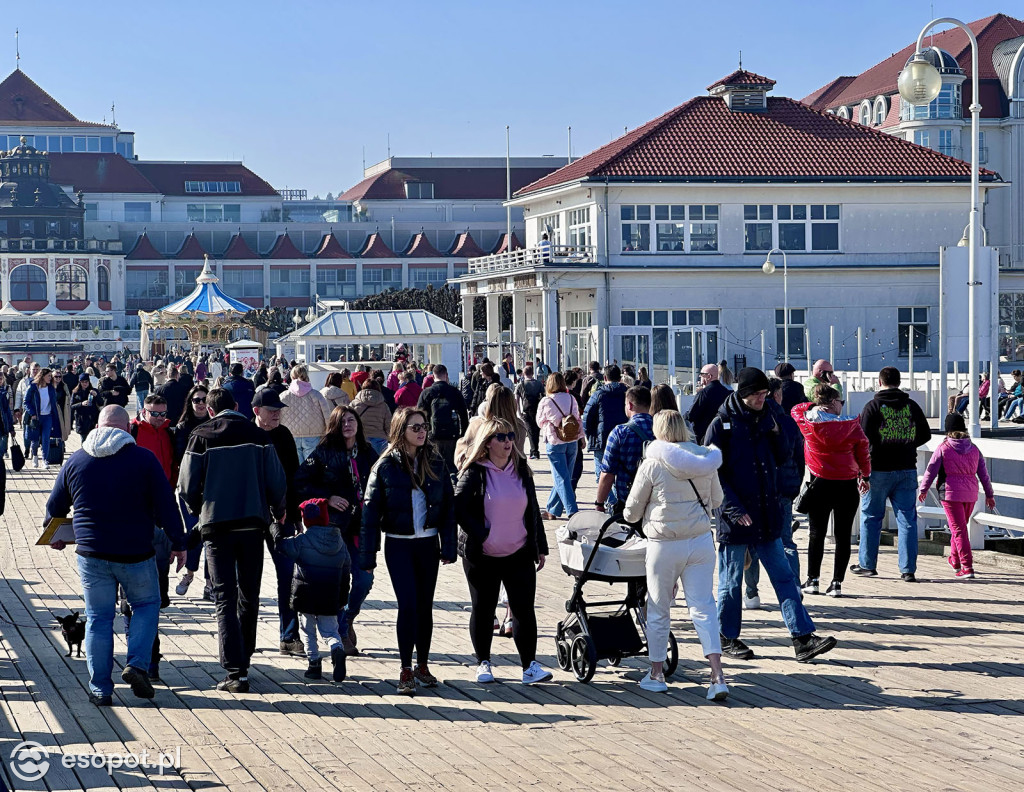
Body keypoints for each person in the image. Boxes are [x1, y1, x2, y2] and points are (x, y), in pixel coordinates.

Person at [45, 405, 186, 706]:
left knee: (98, 618)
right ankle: (137, 664)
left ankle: (101, 689)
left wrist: (54, 534)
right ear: (129, 429)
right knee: (147, 605)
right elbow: (166, 505)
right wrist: (179, 541)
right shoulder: (144, 459)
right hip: (136, 551)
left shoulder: (77, 460)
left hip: (92, 554)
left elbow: (54, 508)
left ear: (97, 426)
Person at [705, 368, 837, 663]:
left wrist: (778, 432)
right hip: (735, 517)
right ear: (742, 393)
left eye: (765, 394)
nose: (761, 400)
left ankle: (802, 638)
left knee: (784, 576)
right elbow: (713, 473)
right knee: (731, 580)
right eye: (756, 395)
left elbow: (783, 457)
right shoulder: (720, 424)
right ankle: (726, 636)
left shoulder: (769, 417)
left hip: (767, 513)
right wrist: (733, 509)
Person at [178, 388, 287, 693]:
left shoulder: (201, 436)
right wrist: (277, 509)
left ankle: (234, 670)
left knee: (224, 596)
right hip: (253, 525)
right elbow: (276, 479)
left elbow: (186, 485)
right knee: (249, 594)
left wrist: (199, 510)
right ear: (237, 407)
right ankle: (246, 657)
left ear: (210, 411)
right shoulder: (258, 434)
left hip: (216, 527)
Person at [623, 410, 727, 699]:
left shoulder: (653, 462)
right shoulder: (706, 459)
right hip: (701, 542)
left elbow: (631, 511)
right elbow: (717, 500)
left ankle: (656, 674)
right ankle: (717, 676)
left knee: (659, 608)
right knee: (704, 607)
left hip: (664, 544)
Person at [359, 407, 456, 695]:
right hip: (399, 543)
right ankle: (404, 668)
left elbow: (449, 507)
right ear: (402, 431)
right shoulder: (386, 465)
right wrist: (367, 557)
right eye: (415, 427)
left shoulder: (435, 462)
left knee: (425, 607)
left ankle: (422, 665)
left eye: (424, 426)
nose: (422, 431)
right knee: (409, 605)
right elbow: (369, 512)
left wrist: (449, 545)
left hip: (428, 542)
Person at [454, 417, 552, 685]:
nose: (508, 441)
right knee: (483, 609)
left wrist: (540, 547)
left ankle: (529, 666)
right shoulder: (475, 471)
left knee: (523, 610)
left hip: (519, 551)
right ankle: (483, 663)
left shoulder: (521, 469)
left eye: (510, 436)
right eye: (501, 437)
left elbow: (532, 510)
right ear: (487, 444)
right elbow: (458, 507)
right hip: (483, 556)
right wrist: (481, 533)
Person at [296, 405, 379, 656]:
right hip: (334, 528)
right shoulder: (323, 452)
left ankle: (349, 618)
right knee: (338, 581)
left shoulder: (367, 452)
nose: (347, 425)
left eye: (351, 420)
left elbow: (381, 482)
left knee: (364, 580)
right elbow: (300, 482)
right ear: (334, 425)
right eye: (342, 421)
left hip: (362, 527)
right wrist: (327, 497)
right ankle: (342, 630)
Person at [792, 385, 871, 598]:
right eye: (840, 402)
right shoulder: (851, 426)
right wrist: (865, 475)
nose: (842, 406)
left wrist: (813, 405)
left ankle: (813, 579)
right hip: (846, 484)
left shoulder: (808, 423)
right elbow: (863, 450)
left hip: (820, 482)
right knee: (843, 536)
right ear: (834, 402)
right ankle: (837, 583)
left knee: (816, 533)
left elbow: (795, 410)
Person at [853, 367, 931, 582]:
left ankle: (867, 565)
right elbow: (925, 433)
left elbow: (862, 439)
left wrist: (862, 472)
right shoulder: (911, 405)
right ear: (899, 381)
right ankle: (908, 570)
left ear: (880, 382)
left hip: (877, 469)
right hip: (906, 467)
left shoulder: (873, 407)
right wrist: (906, 443)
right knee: (907, 519)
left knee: (871, 517)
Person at [271, 498, 349, 681]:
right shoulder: (339, 542)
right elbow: (346, 572)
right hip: (330, 596)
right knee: (330, 631)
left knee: (308, 630)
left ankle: (314, 664)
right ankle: (337, 648)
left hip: (306, 596)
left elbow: (281, 546)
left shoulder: (302, 541)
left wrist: (277, 528)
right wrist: (342, 598)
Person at [743, 377, 804, 609]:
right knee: (786, 540)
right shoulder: (786, 421)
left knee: (753, 544)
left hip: (758, 491)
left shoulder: (750, 420)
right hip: (783, 490)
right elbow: (799, 456)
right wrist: (794, 484)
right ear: (776, 395)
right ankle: (795, 586)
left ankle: (751, 592)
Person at [252, 388, 304, 656]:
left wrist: (295, 516)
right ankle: (244, 637)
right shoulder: (247, 435)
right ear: (256, 411)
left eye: (279, 411)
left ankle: (289, 635)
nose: (277, 415)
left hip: (281, 516)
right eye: (272, 411)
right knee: (247, 578)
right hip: (250, 516)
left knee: (288, 574)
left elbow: (294, 476)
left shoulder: (283, 435)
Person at [918, 412, 995, 580]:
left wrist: (923, 489)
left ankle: (967, 567)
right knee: (958, 528)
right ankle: (955, 560)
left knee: (958, 529)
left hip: (950, 493)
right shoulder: (974, 448)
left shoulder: (944, 447)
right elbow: (984, 474)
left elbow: (931, 469)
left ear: (948, 430)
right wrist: (989, 494)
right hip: (970, 494)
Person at [172, 384, 211, 598]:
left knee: (211, 535)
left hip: (212, 487)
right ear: (190, 402)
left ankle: (209, 582)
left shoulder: (215, 424)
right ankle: (189, 573)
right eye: (197, 400)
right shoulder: (183, 426)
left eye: (204, 399)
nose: (201, 403)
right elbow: (179, 457)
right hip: (189, 488)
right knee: (193, 532)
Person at [595, 386, 653, 513]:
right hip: (656, 497)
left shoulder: (620, 432)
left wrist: (599, 503)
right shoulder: (661, 428)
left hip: (629, 498)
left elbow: (607, 473)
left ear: (630, 405)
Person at [536, 372, 581, 520]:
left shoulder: (546, 401)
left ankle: (572, 511)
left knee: (561, 477)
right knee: (564, 477)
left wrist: (554, 421)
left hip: (555, 441)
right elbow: (577, 418)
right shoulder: (571, 398)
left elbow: (539, 421)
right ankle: (552, 510)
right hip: (572, 440)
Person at [455, 385, 528, 469]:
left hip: (483, 473)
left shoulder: (479, 424)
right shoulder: (519, 426)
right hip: (514, 472)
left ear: (489, 404)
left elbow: (465, 451)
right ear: (513, 404)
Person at [417, 363, 469, 477]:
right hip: (452, 435)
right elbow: (464, 415)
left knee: (434, 467)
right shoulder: (455, 392)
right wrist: (463, 435)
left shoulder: (426, 393)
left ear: (433, 376)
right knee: (451, 467)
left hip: (432, 436)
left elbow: (419, 416)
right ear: (446, 375)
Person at [582, 364, 628, 483]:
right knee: (621, 472)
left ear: (605, 378)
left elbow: (587, 418)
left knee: (602, 472)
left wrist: (590, 435)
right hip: (623, 438)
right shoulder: (627, 393)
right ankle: (617, 498)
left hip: (601, 438)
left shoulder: (598, 394)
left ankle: (609, 499)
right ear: (620, 378)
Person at [279, 365, 333, 464]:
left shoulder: (283, 396)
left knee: (296, 466)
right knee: (312, 466)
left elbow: (278, 416)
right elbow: (327, 415)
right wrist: (328, 431)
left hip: (291, 435)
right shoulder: (317, 395)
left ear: (292, 377)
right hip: (314, 434)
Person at [129, 394, 175, 482]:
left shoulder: (167, 430)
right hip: (141, 489)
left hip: (165, 487)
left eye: (163, 414)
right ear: (144, 412)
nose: (159, 417)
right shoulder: (133, 430)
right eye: (154, 413)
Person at [24, 367, 62, 468]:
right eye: (48, 376)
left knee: (46, 439)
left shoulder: (51, 388)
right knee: (35, 439)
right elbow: (26, 401)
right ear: (42, 376)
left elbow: (54, 402)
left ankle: (45, 460)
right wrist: (32, 413)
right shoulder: (33, 387)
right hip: (36, 417)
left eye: (51, 376)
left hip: (48, 416)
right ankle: (35, 456)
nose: (51, 378)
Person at [686, 364, 731, 443]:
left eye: (702, 375)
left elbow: (691, 415)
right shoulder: (726, 392)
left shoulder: (704, 393)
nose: (700, 377)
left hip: (705, 436)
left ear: (709, 376)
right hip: (723, 435)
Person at [351, 378, 393, 455]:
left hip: (360, 439)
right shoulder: (383, 405)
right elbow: (388, 425)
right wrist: (389, 438)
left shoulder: (354, 403)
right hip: (379, 441)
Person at [514, 365, 546, 459]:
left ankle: (534, 452)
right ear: (532, 373)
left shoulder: (521, 385)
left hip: (526, 411)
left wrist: (518, 413)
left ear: (524, 374)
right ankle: (535, 449)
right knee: (536, 431)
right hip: (537, 410)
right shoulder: (539, 384)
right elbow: (543, 397)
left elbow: (516, 400)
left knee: (530, 431)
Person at [70, 373, 102, 443]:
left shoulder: (94, 391)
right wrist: (81, 404)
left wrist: (96, 396)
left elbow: (101, 403)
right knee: (84, 441)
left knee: (93, 440)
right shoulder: (76, 392)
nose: (85, 384)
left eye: (86, 382)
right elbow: (71, 406)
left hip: (93, 419)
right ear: (80, 382)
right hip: (82, 419)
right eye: (83, 382)